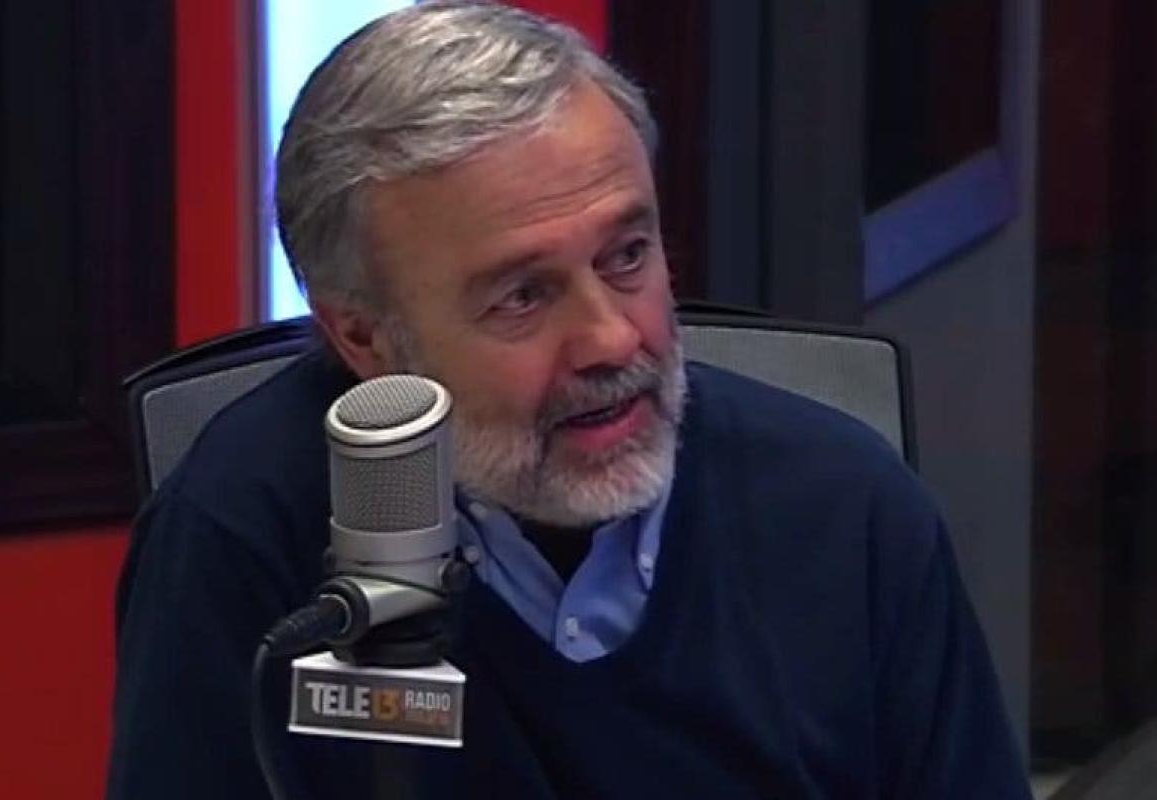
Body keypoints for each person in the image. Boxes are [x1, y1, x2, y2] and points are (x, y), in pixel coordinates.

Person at [107, 2, 1032, 798]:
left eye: (627, 256)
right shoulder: (242, 530)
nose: (614, 340)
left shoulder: (846, 506)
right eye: (522, 296)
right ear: (364, 337)